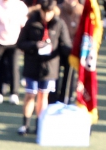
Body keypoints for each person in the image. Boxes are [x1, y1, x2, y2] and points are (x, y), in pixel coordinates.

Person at [17, 0, 71, 134]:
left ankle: (40, 124)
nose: (46, 15)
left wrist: (73, 52)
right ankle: (25, 124)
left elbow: (65, 44)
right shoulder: (32, 22)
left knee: (43, 95)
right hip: (32, 64)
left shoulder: (59, 24)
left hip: (50, 68)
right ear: (40, 10)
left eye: (49, 12)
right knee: (30, 94)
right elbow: (21, 43)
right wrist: (35, 45)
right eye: (44, 12)